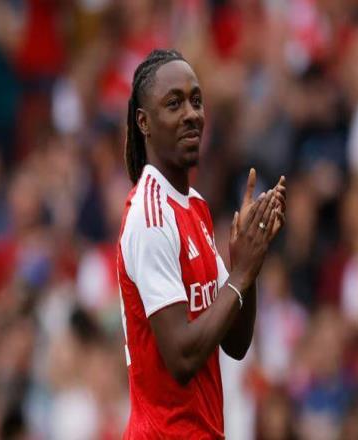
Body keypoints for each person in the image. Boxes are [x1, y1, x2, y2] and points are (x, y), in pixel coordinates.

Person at [117, 49, 286, 439]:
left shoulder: (194, 206)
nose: (191, 113)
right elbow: (181, 357)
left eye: (196, 100)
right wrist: (240, 274)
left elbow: (236, 343)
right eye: (174, 103)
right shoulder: (150, 216)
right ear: (143, 122)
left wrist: (248, 262)